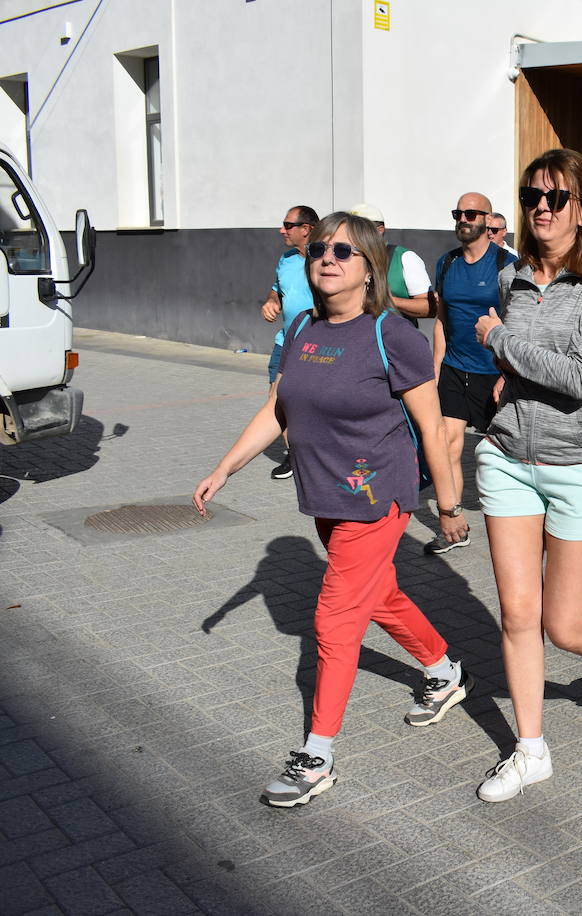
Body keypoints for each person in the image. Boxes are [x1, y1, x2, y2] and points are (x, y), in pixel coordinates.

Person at [194, 212, 472, 807]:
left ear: (369, 266)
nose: (327, 257)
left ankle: (317, 755)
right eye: (319, 247)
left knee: (334, 618)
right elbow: (278, 410)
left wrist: (448, 505)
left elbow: (430, 426)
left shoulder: (391, 334)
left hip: (378, 499)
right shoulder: (300, 328)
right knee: (376, 594)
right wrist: (225, 468)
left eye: (343, 250)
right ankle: (445, 671)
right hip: (324, 496)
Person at [472, 148, 582, 802]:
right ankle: (530, 749)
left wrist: (499, 343)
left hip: (581, 461)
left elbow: (581, 377)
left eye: (554, 197)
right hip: (509, 457)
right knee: (518, 614)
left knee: (563, 625)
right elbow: (532, 362)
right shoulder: (510, 276)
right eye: (530, 196)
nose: (540, 207)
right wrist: (507, 368)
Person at [425, 192, 510, 555]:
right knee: (448, 444)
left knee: (506, 453)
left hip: (496, 373)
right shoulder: (446, 264)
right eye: (458, 212)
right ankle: (454, 522)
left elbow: (519, 321)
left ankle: (518, 529)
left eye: (471, 213)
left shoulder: (507, 264)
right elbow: (442, 319)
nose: (463, 218)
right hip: (455, 369)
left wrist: (509, 372)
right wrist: (435, 367)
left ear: (488, 220)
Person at [260, 205, 318, 480]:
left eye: (288, 225)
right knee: (279, 398)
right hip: (286, 342)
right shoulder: (286, 259)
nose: (282, 230)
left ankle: (320, 455)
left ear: (306, 229)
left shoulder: (326, 259)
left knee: (317, 401)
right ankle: (294, 454)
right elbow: (276, 291)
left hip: (317, 344)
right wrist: (271, 302)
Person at [346, 203, 432, 326]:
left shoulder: (405, 258)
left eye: (360, 229)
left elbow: (428, 308)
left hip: (393, 341)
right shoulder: (344, 257)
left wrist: (387, 300)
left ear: (379, 230)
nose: (353, 234)